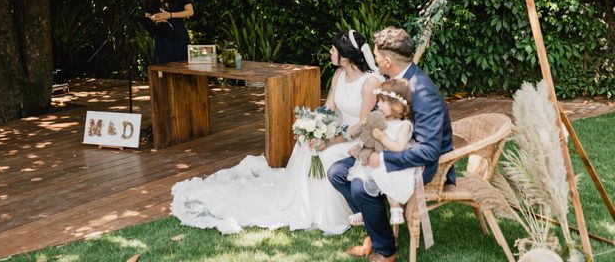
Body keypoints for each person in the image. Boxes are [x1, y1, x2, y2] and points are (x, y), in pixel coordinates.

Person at [170, 29, 383, 234]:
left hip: (354, 139)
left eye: (333, 49)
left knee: (324, 154)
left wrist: (331, 140)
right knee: (306, 146)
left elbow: (363, 124)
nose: (330, 52)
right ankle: (307, 208)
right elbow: (329, 107)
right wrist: (314, 125)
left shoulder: (369, 82)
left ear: (345, 56)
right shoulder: (339, 74)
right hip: (336, 131)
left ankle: (340, 213)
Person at [328, 26, 455, 262]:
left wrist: (382, 159)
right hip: (386, 147)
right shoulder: (393, 80)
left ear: (387, 60)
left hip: (416, 161)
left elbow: (428, 151)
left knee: (359, 187)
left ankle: (385, 251)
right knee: (336, 172)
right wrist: (365, 148)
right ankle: (379, 231)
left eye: (376, 56)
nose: (373, 59)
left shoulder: (423, 91)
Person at [346, 78, 415, 227]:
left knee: (385, 176)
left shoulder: (404, 125)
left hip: (393, 163)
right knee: (361, 176)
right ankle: (366, 213)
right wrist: (358, 149)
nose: (378, 104)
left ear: (396, 105)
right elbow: (369, 140)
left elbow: (399, 148)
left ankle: (395, 208)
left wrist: (383, 137)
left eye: (383, 101)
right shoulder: (380, 121)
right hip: (375, 161)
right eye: (379, 101)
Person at [143, 0, 194, 64]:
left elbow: (190, 11)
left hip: (178, 35)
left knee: (181, 69)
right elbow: (147, 16)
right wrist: (154, 18)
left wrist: (170, 15)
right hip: (161, 37)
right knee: (162, 71)